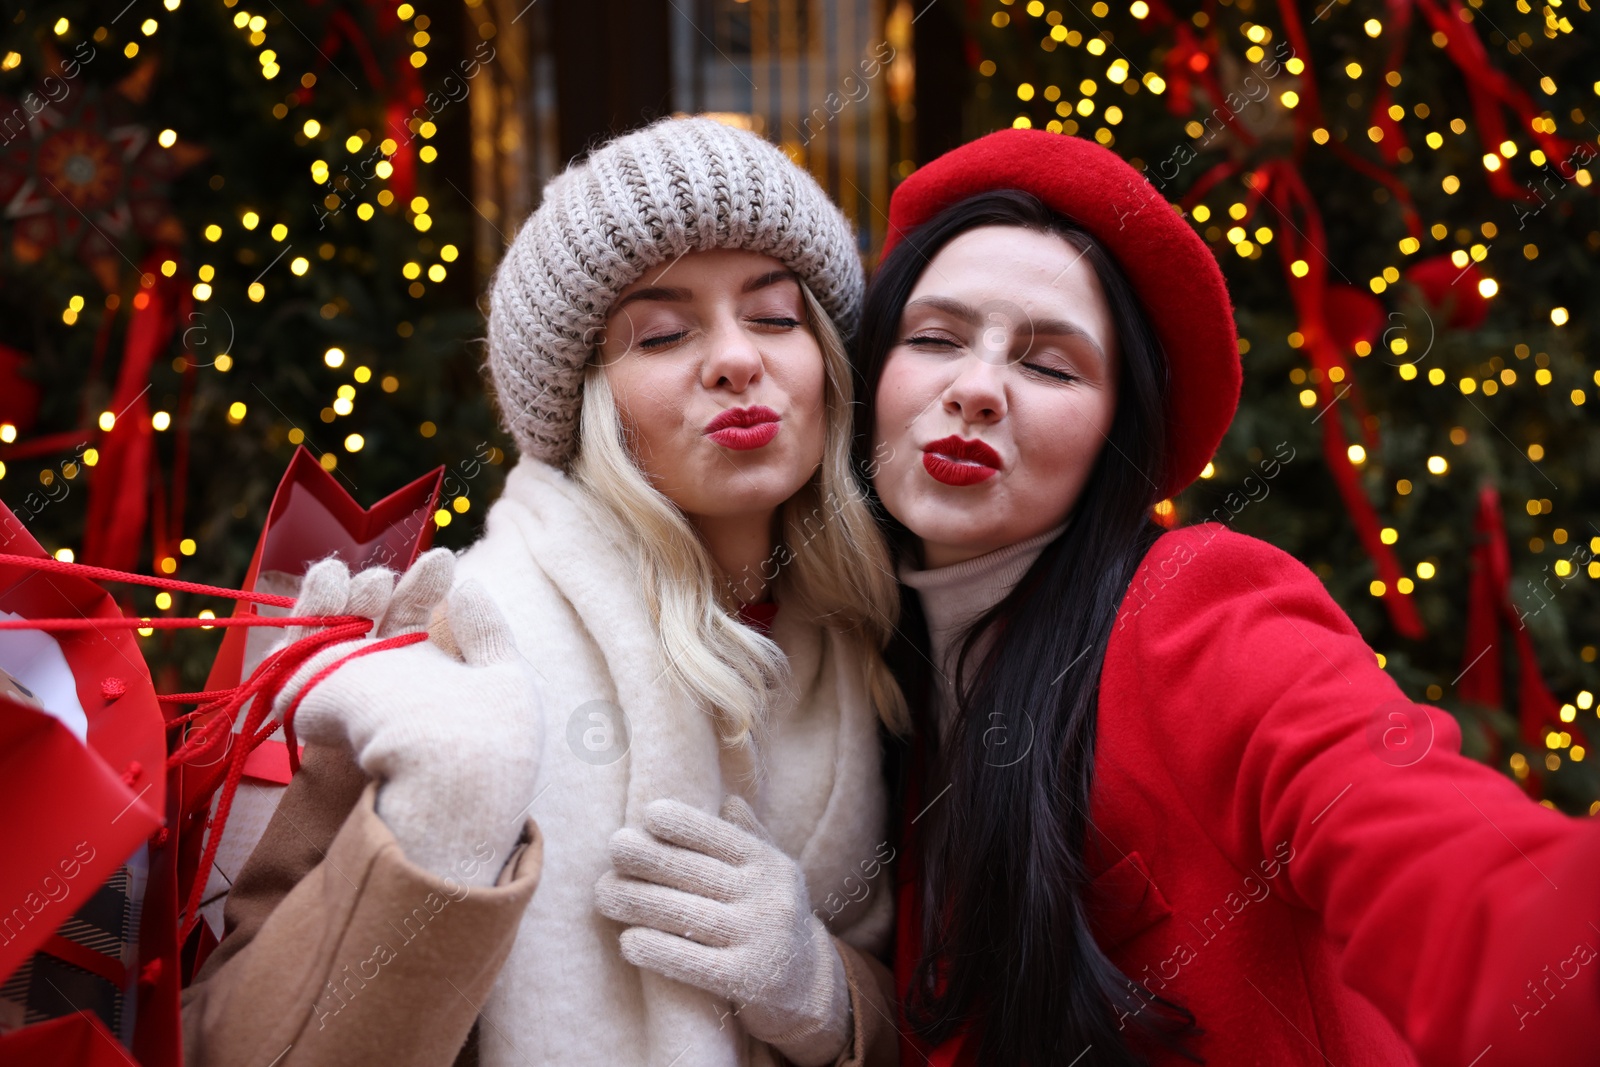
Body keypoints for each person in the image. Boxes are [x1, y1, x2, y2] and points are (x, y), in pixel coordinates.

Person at [851, 129, 1600, 1067]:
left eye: (1049, 365)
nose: (977, 388)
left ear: (1117, 437)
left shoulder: (1192, 604)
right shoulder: (868, 672)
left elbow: (1409, 829)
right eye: (934, 339)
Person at [180, 116, 905, 1067]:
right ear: (586, 402)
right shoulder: (453, 643)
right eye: (663, 332)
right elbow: (229, 1042)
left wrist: (822, 990)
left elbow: (960, 1011)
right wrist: (438, 827)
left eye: (775, 316)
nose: (736, 357)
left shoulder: (879, 641)